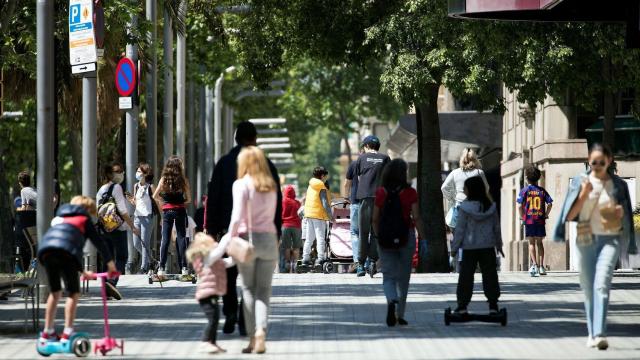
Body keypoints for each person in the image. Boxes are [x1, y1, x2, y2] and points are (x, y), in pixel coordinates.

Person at [553, 143, 637, 350]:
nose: (597, 166)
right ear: (588, 162)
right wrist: (583, 196)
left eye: (601, 162)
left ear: (609, 161)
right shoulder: (581, 182)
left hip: (610, 239)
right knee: (589, 288)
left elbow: (626, 215)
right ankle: (592, 333)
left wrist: (621, 215)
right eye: (593, 162)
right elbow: (569, 215)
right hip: (585, 239)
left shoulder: (618, 185)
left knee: (602, 284)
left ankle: (599, 333)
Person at [206, 121, 282, 336]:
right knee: (256, 285)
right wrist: (277, 229)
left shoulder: (223, 163)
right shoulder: (266, 165)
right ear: (255, 139)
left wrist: (211, 229)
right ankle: (245, 320)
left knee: (229, 275)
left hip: (229, 231)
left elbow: (213, 197)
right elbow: (278, 200)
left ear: (236, 138)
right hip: (261, 233)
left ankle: (230, 311)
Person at [37, 196, 117, 342]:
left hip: (46, 252)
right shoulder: (84, 219)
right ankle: (68, 332)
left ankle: (47, 332)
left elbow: (60, 240)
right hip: (66, 254)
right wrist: (111, 265)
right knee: (73, 293)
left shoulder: (59, 218)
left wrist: (83, 271)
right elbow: (98, 243)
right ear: (86, 209)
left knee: (54, 293)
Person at [372, 159, 424, 327]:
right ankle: (400, 314)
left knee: (388, 275)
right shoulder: (410, 192)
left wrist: (379, 236)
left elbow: (374, 219)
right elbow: (416, 217)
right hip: (406, 237)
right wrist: (423, 238)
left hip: (385, 238)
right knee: (403, 277)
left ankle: (391, 300)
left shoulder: (381, 192)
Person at [450, 176, 503, 316]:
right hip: (487, 246)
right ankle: (493, 304)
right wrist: (499, 245)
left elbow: (460, 230)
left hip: (469, 247)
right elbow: (496, 228)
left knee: (466, 277)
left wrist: (454, 249)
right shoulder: (491, 207)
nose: (465, 191)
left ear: (470, 190)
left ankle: (462, 305)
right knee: (490, 275)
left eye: (466, 188)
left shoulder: (464, 208)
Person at [441, 148, 490, 271]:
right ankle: (471, 262)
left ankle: (455, 260)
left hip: (459, 207)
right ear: (475, 159)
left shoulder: (455, 173)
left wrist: (452, 198)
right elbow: (487, 189)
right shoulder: (479, 173)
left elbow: (444, 187)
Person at [97, 163, 139, 297]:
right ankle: (112, 282)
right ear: (111, 174)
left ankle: (105, 289)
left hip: (104, 228)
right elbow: (122, 211)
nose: (121, 174)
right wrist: (132, 226)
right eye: (118, 171)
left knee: (107, 258)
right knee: (122, 256)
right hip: (118, 228)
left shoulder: (101, 189)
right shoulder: (116, 188)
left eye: (121, 171)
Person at [186, 233, 232, 354]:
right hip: (206, 296)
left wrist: (239, 257)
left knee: (216, 319)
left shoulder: (213, 260)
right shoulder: (207, 258)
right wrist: (227, 237)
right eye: (211, 244)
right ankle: (205, 342)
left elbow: (227, 262)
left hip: (212, 295)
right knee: (212, 319)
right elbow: (220, 251)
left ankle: (213, 343)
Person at [354, 135, 390, 277]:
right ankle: (372, 261)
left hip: (365, 198)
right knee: (376, 232)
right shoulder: (385, 158)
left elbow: (358, 177)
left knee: (363, 232)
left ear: (367, 146)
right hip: (381, 199)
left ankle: (361, 265)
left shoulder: (361, 158)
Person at [153, 156, 192, 276]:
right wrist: (181, 203)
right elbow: (189, 199)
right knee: (181, 238)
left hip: (167, 212)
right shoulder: (183, 180)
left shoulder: (163, 179)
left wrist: (164, 201)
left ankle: (161, 268)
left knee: (165, 239)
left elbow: (155, 196)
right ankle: (184, 267)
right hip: (180, 211)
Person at [517, 165, 553, 277]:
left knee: (531, 243)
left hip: (529, 221)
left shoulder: (525, 191)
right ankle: (542, 267)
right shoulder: (542, 191)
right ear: (538, 178)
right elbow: (550, 204)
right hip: (540, 220)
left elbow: (519, 205)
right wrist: (545, 215)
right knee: (540, 242)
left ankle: (534, 265)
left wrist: (523, 217)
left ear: (527, 178)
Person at [127, 163, 157, 274]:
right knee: (136, 243)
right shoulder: (136, 186)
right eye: (137, 171)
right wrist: (131, 200)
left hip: (147, 217)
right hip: (137, 217)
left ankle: (144, 267)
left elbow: (157, 201)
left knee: (145, 242)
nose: (137, 173)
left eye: (140, 171)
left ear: (145, 174)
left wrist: (163, 217)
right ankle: (152, 260)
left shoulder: (151, 187)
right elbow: (136, 202)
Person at [301, 167, 334, 268]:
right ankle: (320, 258)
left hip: (309, 214)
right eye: (325, 176)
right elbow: (324, 203)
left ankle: (305, 258)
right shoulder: (321, 186)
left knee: (309, 238)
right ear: (322, 176)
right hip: (318, 215)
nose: (325, 178)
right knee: (320, 238)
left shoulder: (311, 185)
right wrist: (330, 216)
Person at [344, 147, 364, 273]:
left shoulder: (353, 164)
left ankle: (357, 262)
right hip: (370, 202)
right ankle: (368, 261)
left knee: (355, 232)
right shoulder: (375, 164)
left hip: (355, 202)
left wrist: (346, 198)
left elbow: (347, 184)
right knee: (367, 232)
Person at [281, 185, 302, 273]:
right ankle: (295, 264)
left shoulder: (282, 202)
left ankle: (287, 263)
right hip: (296, 226)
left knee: (287, 247)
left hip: (285, 226)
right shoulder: (297, 203)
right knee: (296, 247)